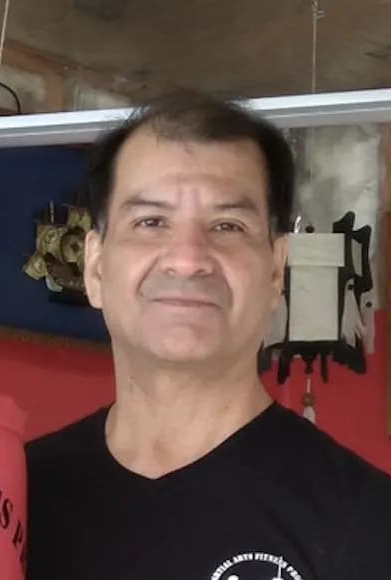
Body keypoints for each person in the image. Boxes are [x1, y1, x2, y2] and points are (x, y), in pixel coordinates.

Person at [26, 93, 391, 580]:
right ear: (94, 267)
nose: (187, 259)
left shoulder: (369, 524)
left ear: (275, 270)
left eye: (227, 226)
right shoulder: (12, 499)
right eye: (150, 222)